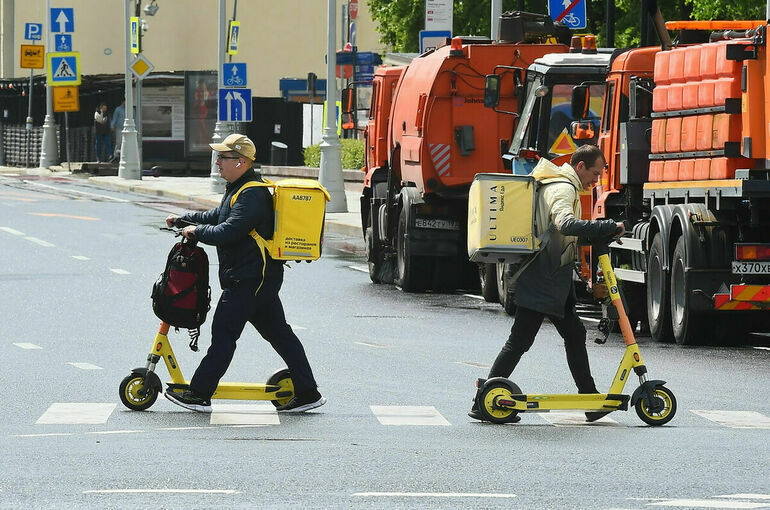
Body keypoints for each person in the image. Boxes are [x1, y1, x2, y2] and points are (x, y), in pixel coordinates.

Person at [164, 133, 325, 414]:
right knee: (280, 336)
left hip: (249, 279)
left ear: (240, 162)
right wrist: (183, 219)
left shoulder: (252, 193)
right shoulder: (239, 189)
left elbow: (229, 231)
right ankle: (308, 391)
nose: (217, 162)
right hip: (257, 279)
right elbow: (217, 216)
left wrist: (196, 232)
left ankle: (200, 392)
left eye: (223, 158)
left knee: (224, 334)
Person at [470, 145, 625, 423]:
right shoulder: (563, 189)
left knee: (574, 334)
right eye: (594, 172)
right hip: (543, 277)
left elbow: (561, 235)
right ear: (580, 167)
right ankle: (482, 402)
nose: (596, 179)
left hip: (553, 277)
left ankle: (590, 399)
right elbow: (564, 224)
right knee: (520, 341)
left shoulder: (561, 184)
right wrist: (604, 226)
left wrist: (601, 235)